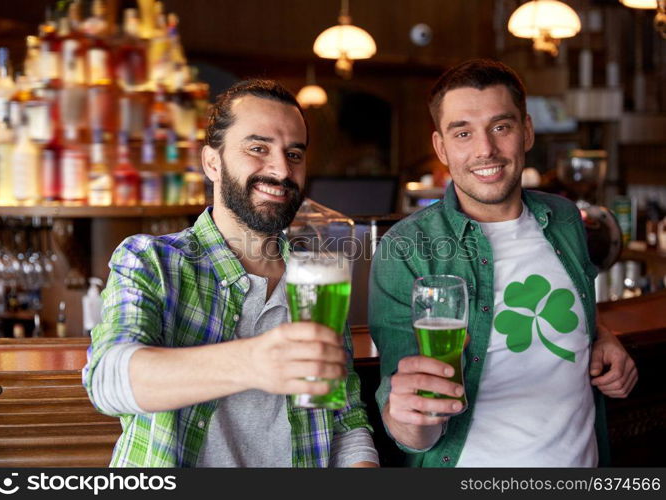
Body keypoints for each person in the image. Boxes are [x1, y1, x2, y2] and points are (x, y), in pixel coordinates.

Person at [83, 79, 379, 468]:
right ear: (212, 163)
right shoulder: (154, 260)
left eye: (294, 154)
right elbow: (108, 381)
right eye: (258, 148)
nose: (280, 169)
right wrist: (253, 362)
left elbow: (344, 417)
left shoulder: (317, 276)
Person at [368, 59, 637, 467]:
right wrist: (410, 417)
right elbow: (409, 421)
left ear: (526, 131)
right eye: (463, 132)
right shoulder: (405, 248)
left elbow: (567, 302)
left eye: (501, 127)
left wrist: (600, 334)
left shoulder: (564, 218)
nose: (485, 150)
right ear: (441, 147)